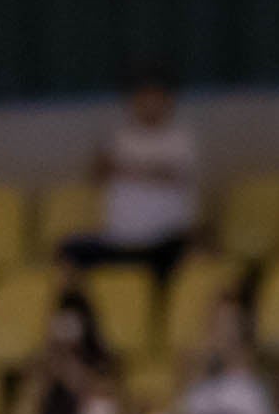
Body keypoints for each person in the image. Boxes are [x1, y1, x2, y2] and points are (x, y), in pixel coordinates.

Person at [76, 76, 201, 273]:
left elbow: (170, 173)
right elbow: (96, 176)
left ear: (167, 103)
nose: (149, 106)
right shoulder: (119, 137)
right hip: (119, 238)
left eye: (155, 100)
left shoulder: (180, 138)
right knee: (71, 250)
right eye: (143, 100)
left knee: (178, 259)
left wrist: (124, 167)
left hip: (165, 238)